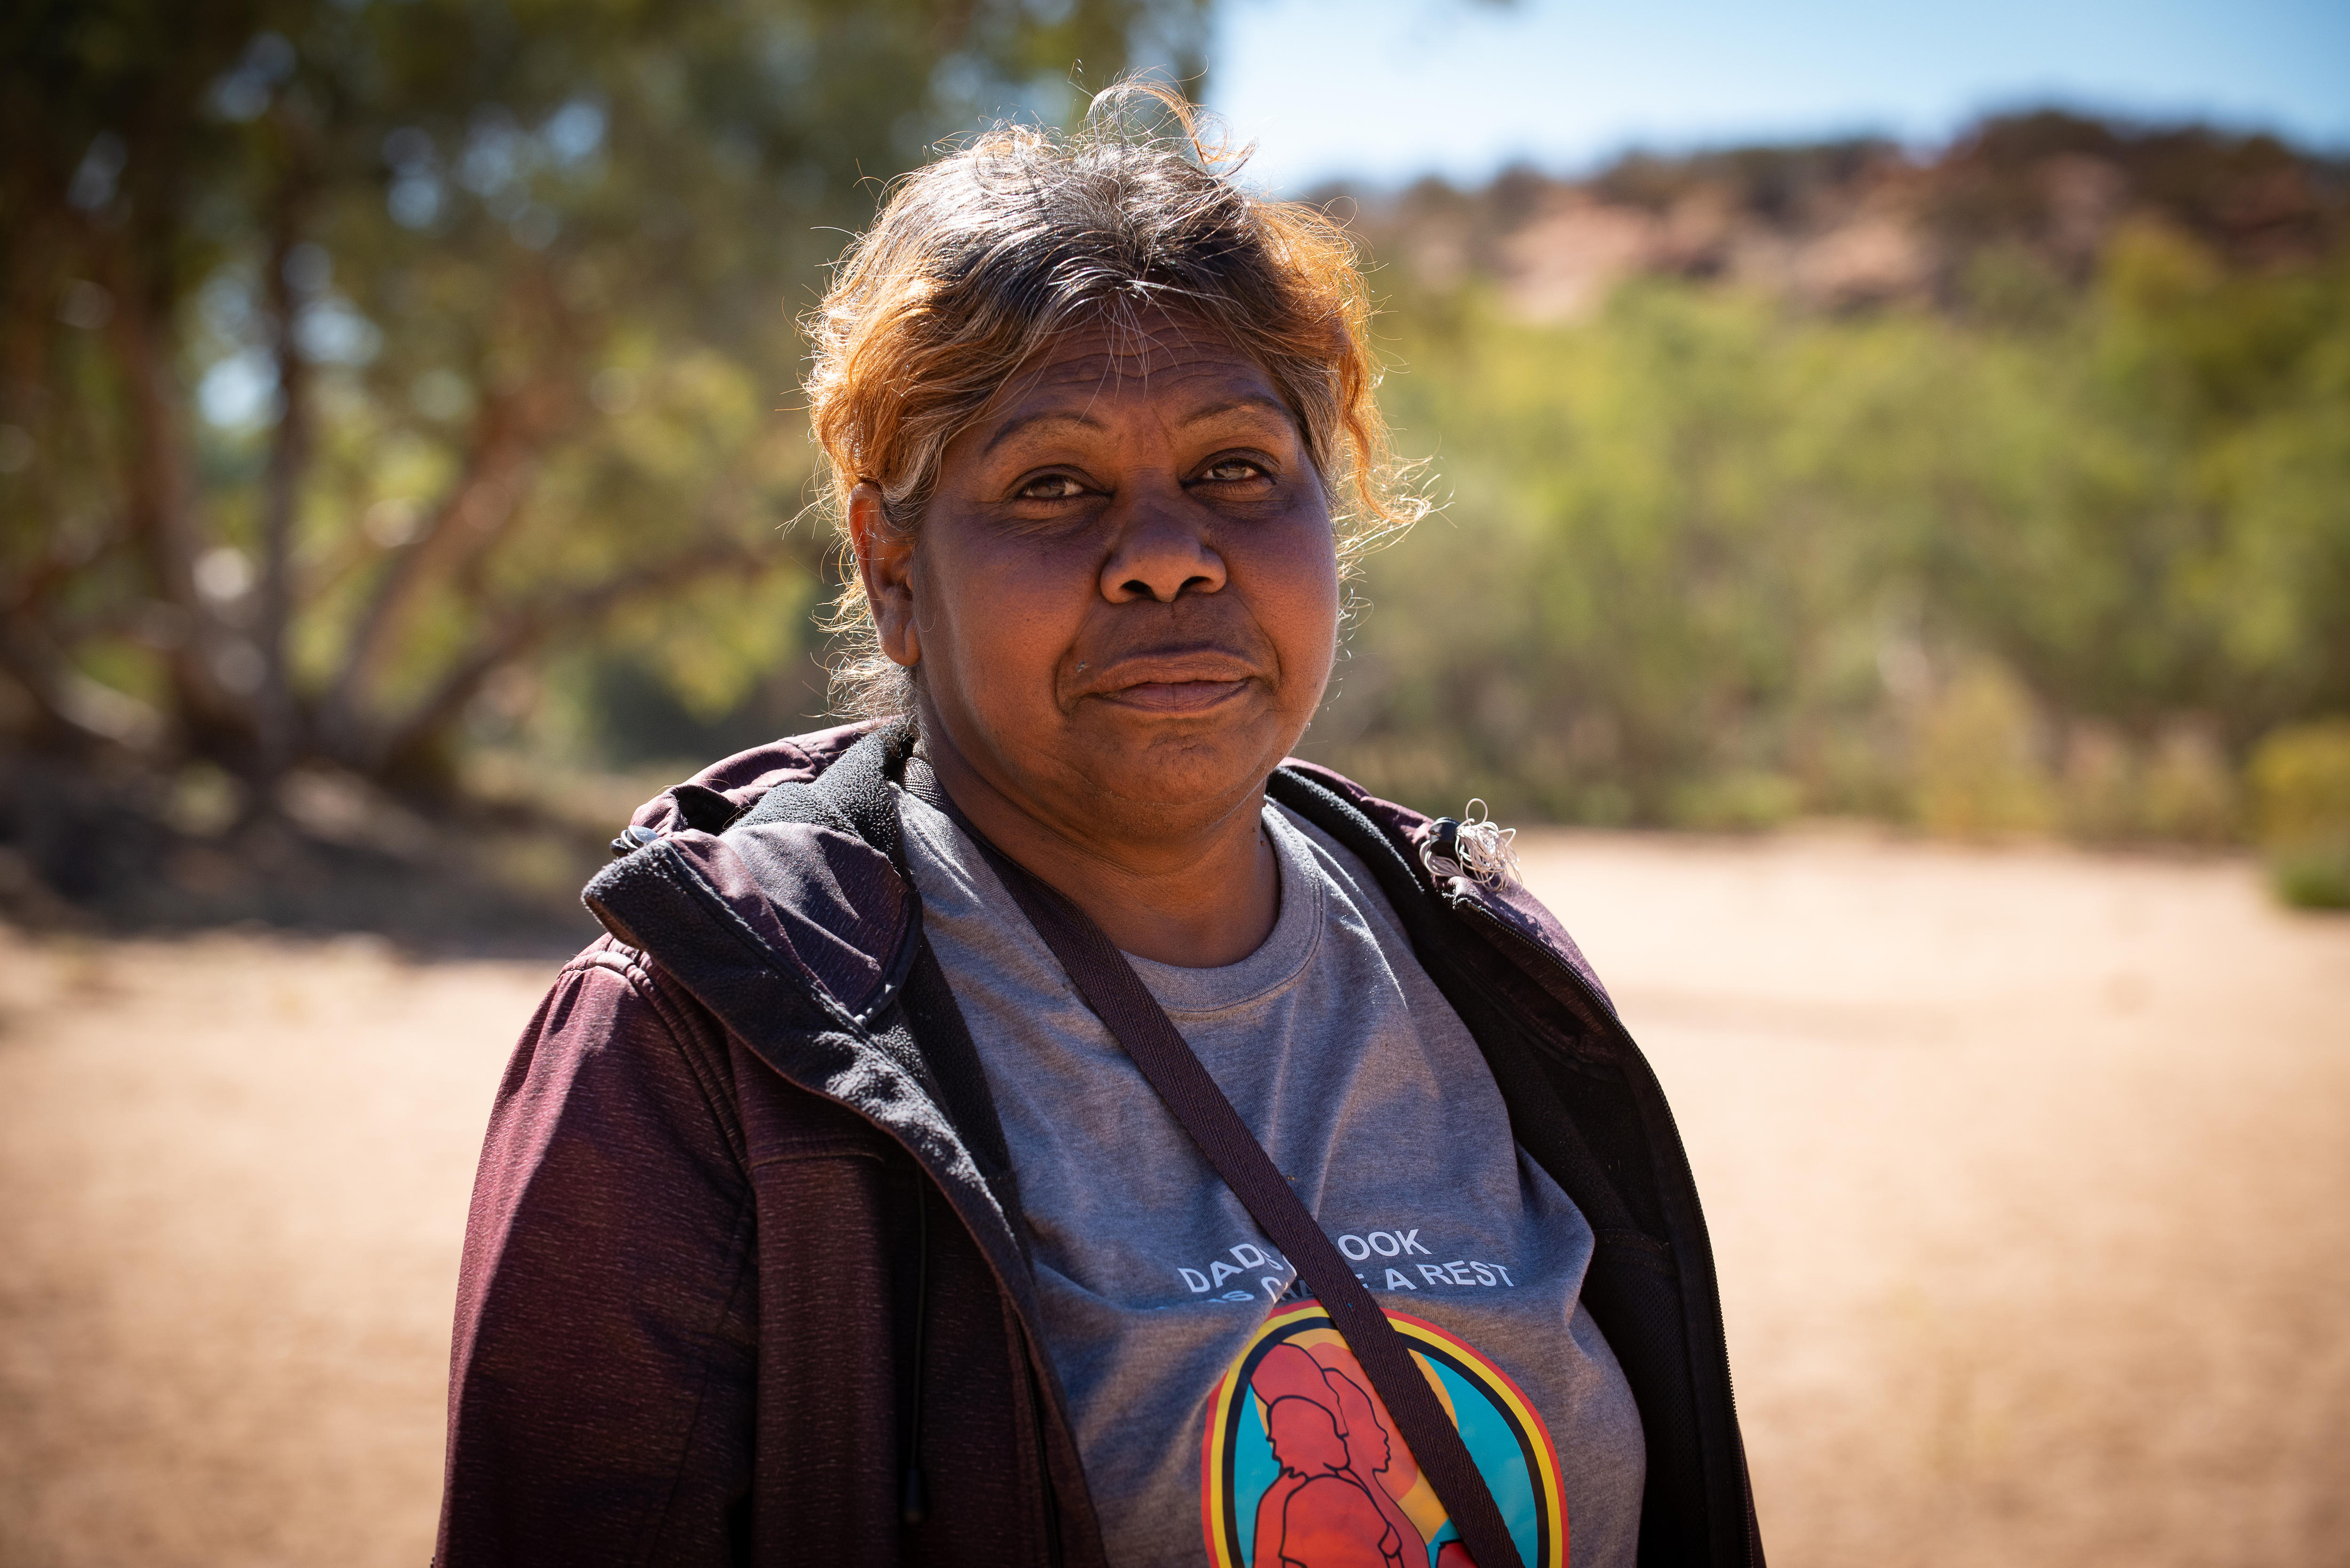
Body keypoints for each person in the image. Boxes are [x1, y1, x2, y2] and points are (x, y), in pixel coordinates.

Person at [434, 84, 1760, 1568]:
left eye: (1236, 471)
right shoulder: (698, 1055)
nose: (1167, 557)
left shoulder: (1484, 970)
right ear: (891, 568)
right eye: (1054, 484)